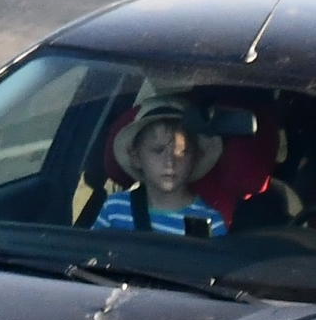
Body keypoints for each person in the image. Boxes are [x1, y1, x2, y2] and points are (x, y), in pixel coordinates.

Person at [95, 101, 228, 237]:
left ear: (196, 157)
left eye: (182, 152)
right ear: (136, 157)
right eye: (158, 150)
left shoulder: (210, 222)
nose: (170, 162)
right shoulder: (115, 209)